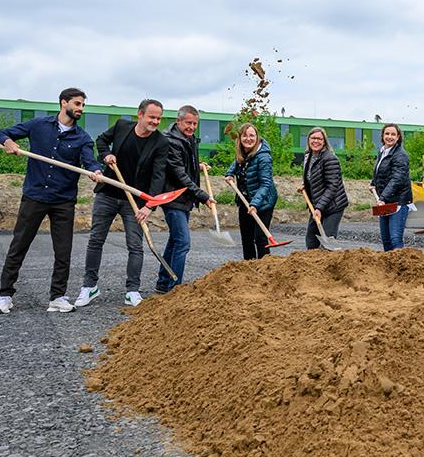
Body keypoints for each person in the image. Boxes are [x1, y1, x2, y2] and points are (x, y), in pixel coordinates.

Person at [0, 88, 103, 314]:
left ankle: (58, 297)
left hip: (63, 200)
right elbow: (1, 133)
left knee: (63, 251)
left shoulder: (82, 138)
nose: (81, 108)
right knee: (19, 245)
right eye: (77, 104)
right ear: (64, 103)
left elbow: (89, 161)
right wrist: (9, 143)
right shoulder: (38, 125)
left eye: (83, 105)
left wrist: (95, 171)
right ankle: (5, 296)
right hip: (34, 196)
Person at [76, 99, 170, 308]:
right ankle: (89, 287)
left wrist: (149, 206)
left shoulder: (161, 143)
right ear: (140, 114)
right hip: (107, 194)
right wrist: (106, 154)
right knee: (96, 240)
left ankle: (132, 291)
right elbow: (100, 140)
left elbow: (158, 176)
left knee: (135, 246)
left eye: (158, 118)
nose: (155, 121)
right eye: (151, 117)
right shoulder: (121, 127)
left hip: (134, 201)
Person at [154, 105, 215, 293]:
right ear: (178, 120)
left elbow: (185, 164)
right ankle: (175, 289)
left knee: (175, 240)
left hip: (184, 198)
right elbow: (179, 174)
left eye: (195, 123)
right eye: (188, 123)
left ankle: (164, 283)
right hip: (173, 197)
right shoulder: (170, 140)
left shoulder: (187, 138)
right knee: (182, 242)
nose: (192, 127)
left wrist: (197, 165)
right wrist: (203, 196)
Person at [225, 123, 278, 260]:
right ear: (240, 138)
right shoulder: (242, 152)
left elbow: (266, 183)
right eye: (245, 136)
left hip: (263, 201)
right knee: (246, 238)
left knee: (260, 237)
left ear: (257, 137)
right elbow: (236, 163)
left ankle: (265, 269)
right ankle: (248, 270)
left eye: (251, 135)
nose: (248, 139)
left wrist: (255, 204)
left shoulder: (263, 157)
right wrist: (230, 174)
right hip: (245, 200)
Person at [298, 127, 349, 249]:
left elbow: (333, 186)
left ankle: (331, 265)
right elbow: (314, 178)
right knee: (311, 240)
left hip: (333, 206)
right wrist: (305, 185)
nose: (316, 141)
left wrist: (319, 207)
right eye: (313, 138)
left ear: (324, 141)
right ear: (308, 140)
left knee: (328, 242)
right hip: (317, 205)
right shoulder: (308, 156)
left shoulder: (330, 158)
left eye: (319, 139)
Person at [371, 123, 413, 251]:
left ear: (398, 137)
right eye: (387, 134)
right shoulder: (383, 151)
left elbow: (397, 179)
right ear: (383, 136)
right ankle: (388, 269)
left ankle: (401, 268)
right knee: (386, 239)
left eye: (393, 134)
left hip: (398, 202)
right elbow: (381, 172)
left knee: (395, 238)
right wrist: (374, 183)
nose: (390, 137)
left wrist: (383, 197)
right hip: (386, 202)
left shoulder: (400, 155)